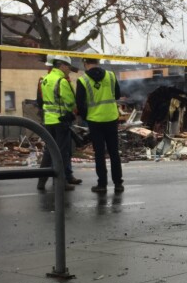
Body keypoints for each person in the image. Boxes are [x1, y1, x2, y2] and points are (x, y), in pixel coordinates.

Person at [76, 57, 124, 193]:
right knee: (114, 152)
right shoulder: (110, 75)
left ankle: (102, 185)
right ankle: (118, 184)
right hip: (111, 118)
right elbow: (118, 95)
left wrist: (87, 117)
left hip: (94, 121)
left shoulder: (82, 80)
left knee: (99, 154)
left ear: (85, 63)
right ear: (98, 61)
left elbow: (80, 104)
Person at [36, 55, 82, 191]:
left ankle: (41, 181)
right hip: (61, 121)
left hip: (48, 121)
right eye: (68, 67)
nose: (69, 70)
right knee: (62, 152)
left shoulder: (45, 79)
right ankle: (60, 182)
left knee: (49, 151)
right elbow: (70, 101)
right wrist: (71, 111)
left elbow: (42, 100)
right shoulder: (61, 81)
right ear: (62, 65)